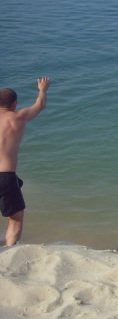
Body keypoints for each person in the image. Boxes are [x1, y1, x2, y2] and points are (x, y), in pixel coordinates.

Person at [0, 77, 50, 247]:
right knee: (15, 218)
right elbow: (40, 105)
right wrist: (42, 90)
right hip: (5, 176)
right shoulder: (17, 118)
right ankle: (9, 250)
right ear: (14, 104)